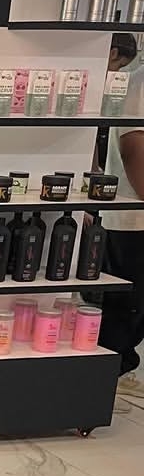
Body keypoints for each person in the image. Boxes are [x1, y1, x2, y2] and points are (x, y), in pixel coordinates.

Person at [98, 32, 144, 390]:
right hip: (132, 220)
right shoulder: (137, 83)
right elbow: (133, 148)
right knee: (123, 315)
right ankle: (99, 384)